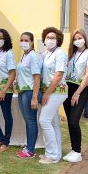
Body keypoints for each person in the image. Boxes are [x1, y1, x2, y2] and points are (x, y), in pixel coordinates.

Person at [62, 29, 88, 162]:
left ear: (85, 38)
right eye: (75, 39)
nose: (77, 41)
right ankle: (74, 149)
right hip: (68, 88)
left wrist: (77, 93)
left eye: (80, 38)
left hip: (80, 90)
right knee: (70, 121)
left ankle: (78, 151)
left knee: (74, 121)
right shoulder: (71, 54)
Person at [38, 27, 68, 164]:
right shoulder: (45, 54)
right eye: (48, 37)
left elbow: (59, 74)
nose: (50, 40)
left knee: (44, 121)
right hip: (49, 91)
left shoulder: (60, 54)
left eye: (53, 38)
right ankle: (57, 152)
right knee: (54, 123)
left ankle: (51, 155)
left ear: (58, 40)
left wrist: (47, 94)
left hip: (57, 92)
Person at [15, 32, 41, 158]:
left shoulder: (33, 56)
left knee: (31, 121)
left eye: (26, 40)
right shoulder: (24, 56)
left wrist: (35, 97)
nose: (23, 42)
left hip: (29, 91)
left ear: (32, 42)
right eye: (21, 40)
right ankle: (28, 145)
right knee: (27, 120)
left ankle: (30, 150)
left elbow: (37, 77)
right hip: (21, 91)